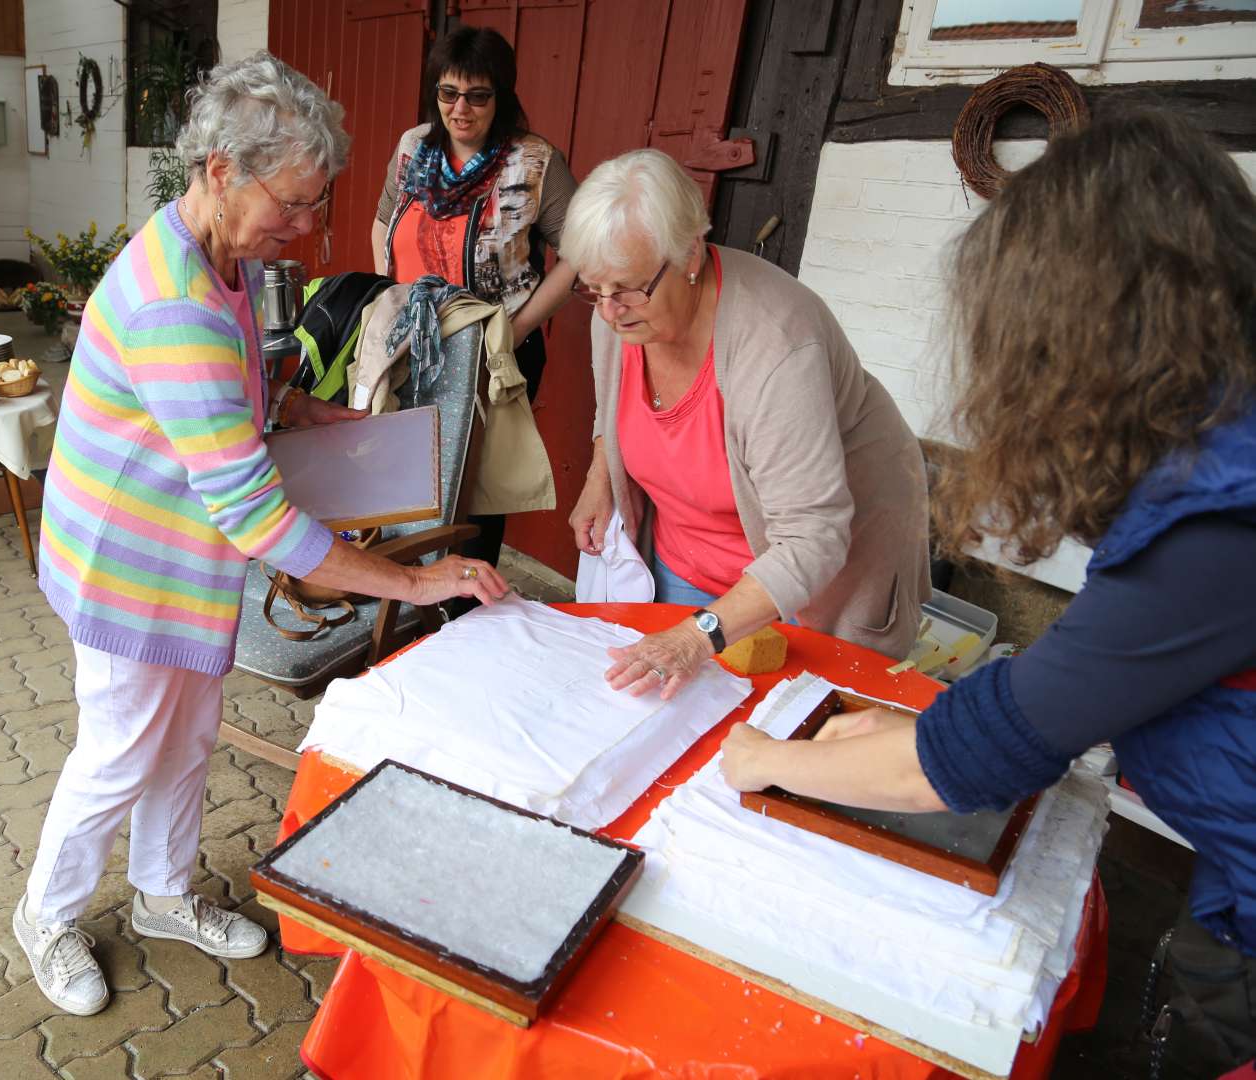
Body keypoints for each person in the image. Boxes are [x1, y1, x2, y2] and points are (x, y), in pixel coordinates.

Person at [719, 111, 1256, 1078]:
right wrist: (881, 741)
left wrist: (771, 762)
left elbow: (980, 752)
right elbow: (1076, 680)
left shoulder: (1221, 525)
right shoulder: (1219, 454)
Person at [16, 52, 509, 1018]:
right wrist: (413, 584)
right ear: (221, 171)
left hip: (183, 557)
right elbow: (255, 514)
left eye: (318, 204)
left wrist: (299, 410)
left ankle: (163, 893)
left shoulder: (224, 257)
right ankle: (47, 912)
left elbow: (236, 393)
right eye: (293, 202)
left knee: (189, 736)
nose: (309, 229)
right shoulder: (178, 302)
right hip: (125, 566)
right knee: (120, 749)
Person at [564, 148, 929, 698]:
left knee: (779, 731)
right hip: (689, 551)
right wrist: (599, 473)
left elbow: (813, 537)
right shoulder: (619, 312)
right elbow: (611, 405)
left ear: (689, 253)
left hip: (817, 579)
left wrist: (696, 635)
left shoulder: (777, 344)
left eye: (628, 287)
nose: (610, 310)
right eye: (595, 290)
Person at [371, 25, 577, 570]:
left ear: (501, 96)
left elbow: (580, 253)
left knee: (476, 487)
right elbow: (381, 218)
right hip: (417, 341)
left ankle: (464, 605)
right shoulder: (413, 148)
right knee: (411, 468)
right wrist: (391, 296)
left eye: (478, 95)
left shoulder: (534, 163)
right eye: (448, 93)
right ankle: (407, 585)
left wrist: (517, 328)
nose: (460, 109)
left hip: (497, 351)